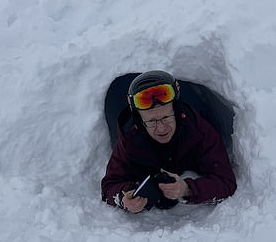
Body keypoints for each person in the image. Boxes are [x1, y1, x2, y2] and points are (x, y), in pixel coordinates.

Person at [101, 70, 237, 213]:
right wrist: (124, 198)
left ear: (178, 112)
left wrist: (187, 189)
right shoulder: (130, 138)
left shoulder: (198, 130)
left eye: (166, 118)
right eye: (151, 121)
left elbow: (225, 182)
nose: (161, 129)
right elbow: (110, 185)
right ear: (140, 121)